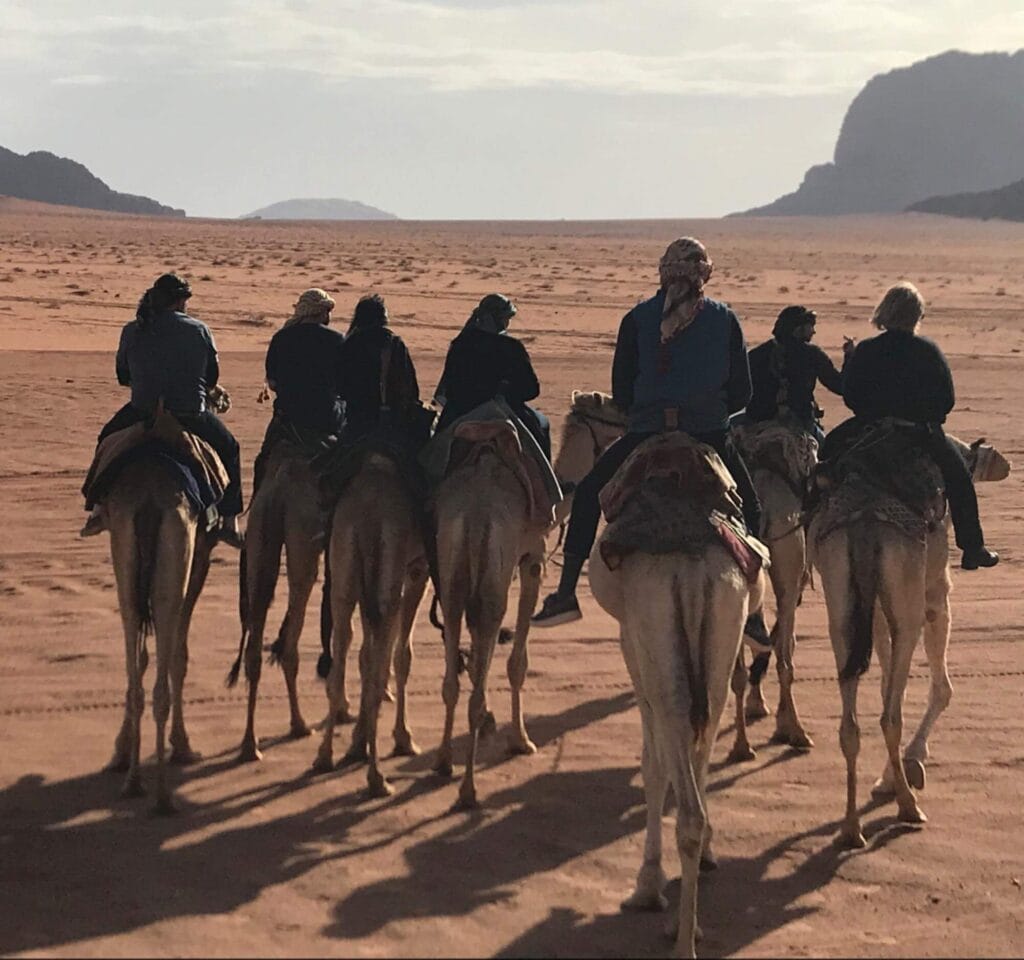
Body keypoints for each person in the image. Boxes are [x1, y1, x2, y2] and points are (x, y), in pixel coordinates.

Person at [532, 237, 767, 646]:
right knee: (753, 507)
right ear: (703, 274)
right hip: (707, 435)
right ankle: (755, 615)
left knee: (588, 493)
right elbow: (743, 393)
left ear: (664, 273)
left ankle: (567, 592)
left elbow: (621, 393)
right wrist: (706, 411)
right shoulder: (725, 319)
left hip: (645, 433)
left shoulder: (636, 319)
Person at [831, 281, 998, 571]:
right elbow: (946, 400)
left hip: (869, 429)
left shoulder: (868, 349)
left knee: (826, 454)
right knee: (959, 476)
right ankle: (973, 548)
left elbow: (852, 396)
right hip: (919, 432)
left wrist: (872, 411)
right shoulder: (928, 350)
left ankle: (810, 535)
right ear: (916, 316)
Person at [81, 273, 244, 547]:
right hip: (190, 414)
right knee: (230, 448)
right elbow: (212, 377)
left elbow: (122, 375)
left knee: (106, 439)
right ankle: (230, 521)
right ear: (180, 302)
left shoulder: (132, 329)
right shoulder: (199, 329)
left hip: (141, 411)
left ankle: (97, 509)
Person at [434, 293, 552, 459]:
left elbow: (451, 387)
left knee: (434, 451)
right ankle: (548, 483)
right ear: (499, 319)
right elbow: (531, 390)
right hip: (503, 411)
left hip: (461, 411)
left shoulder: (461, 344)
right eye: (506, 318)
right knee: (542, 423)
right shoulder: (512, 348)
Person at [252, 288, 346, 495]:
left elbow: (273, 383)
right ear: (320, 313)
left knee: (263, 460)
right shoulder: (337, 340)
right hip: (327, 417)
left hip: (288, 417)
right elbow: (345, 384)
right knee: (349, 457)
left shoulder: (281, 338)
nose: (329, 317)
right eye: (327, 311)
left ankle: (253, 507)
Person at [745, 305, 848, 442]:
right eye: (810, 326)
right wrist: (850, 356)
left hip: (756, 422)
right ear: (798, 329)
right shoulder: (812, 355)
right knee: (829, 455)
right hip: (801, 424)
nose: (814, 331)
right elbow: (840, 385)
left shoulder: (756, 354)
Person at [337, 293, 422, 441]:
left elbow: (340, 383)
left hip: (356, 419)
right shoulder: (394, 343)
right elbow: (409, 386)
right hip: (390, 420)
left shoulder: (350, 344)